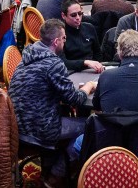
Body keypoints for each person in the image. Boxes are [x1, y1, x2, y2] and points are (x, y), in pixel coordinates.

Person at [9, 19, 95, 185]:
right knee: (91, 126)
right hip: (40, 130)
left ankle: (49, 167)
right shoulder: (54, 64)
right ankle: (56, 174)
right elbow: (74, 100)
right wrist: (89, 86)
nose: (65, 41)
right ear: (56, 42)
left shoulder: (28, 55)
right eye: (64, 38)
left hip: (18, 125)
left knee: (65, 112)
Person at [60, 0, 103, 73]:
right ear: (63, 16)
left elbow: (98, 54)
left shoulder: (89, 27)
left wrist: (97, 65)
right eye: (73, 15)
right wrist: (85, 63)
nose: (78, 18)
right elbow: (63, 62)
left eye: (80, 14)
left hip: (92, 70)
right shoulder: (60, 34)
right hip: (72, 72)